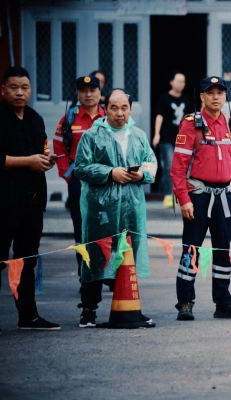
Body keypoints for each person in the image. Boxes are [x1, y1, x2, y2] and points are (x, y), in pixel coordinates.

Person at [74, 88, 157, 327]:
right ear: (105, 108)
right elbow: (80, 167)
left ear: (130, 109)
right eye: (114, 107)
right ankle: (88, 309)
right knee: (95, 254)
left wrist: (142, 173)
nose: (119, 113)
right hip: (100, 208)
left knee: (127, 254)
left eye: (124, 108)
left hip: (132, 205)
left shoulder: (139, 135)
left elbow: (151, 162)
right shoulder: (92, 135)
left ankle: (130, 306)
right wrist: (109, 173)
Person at [171, 76, 231, 320]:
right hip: (198, 197)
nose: (216, 96)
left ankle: (223, 303)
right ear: (202, 97)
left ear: (225, 96)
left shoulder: (230, 124)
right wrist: (183, 199)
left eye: (220, 92)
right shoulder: (190, 124)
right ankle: (185, 302)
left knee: (222, 251)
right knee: (191, 250)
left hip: (226, 197)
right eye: (210, 92)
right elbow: (177, 167)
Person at [0, 66, 61, 333]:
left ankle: (29, 316)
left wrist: (47, 160)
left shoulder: (35, 118)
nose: (20, 93)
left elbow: (42, 151)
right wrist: (29, 161)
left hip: (33, 202)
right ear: (3, 90)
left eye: (24, 87)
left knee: (28, 259)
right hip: (3, 202)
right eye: (14, 87)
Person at [53, 75, 105, 289]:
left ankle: (107, 273)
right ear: (78, 94)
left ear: (100, 92)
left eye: (93, 89)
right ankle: (85, 274)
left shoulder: (108, 115)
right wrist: (68, 175)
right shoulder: (69, 118)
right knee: (81, 230)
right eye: (83, 90)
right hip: (79, 181)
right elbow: (58, 147)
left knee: (107, 228)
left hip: (106, 181)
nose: (88, 94)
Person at [152, 70, 189, 208]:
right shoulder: (164, 98)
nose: (181, 84)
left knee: (182, 168)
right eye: (178, 81)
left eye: (183, 81)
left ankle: (179, 194)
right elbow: (159, 116)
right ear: (171, 82)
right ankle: (168, 195)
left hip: (183, 139)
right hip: (167, 138)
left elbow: (191, 118)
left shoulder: (186, 99)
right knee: (168, 166)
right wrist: (157, 134)